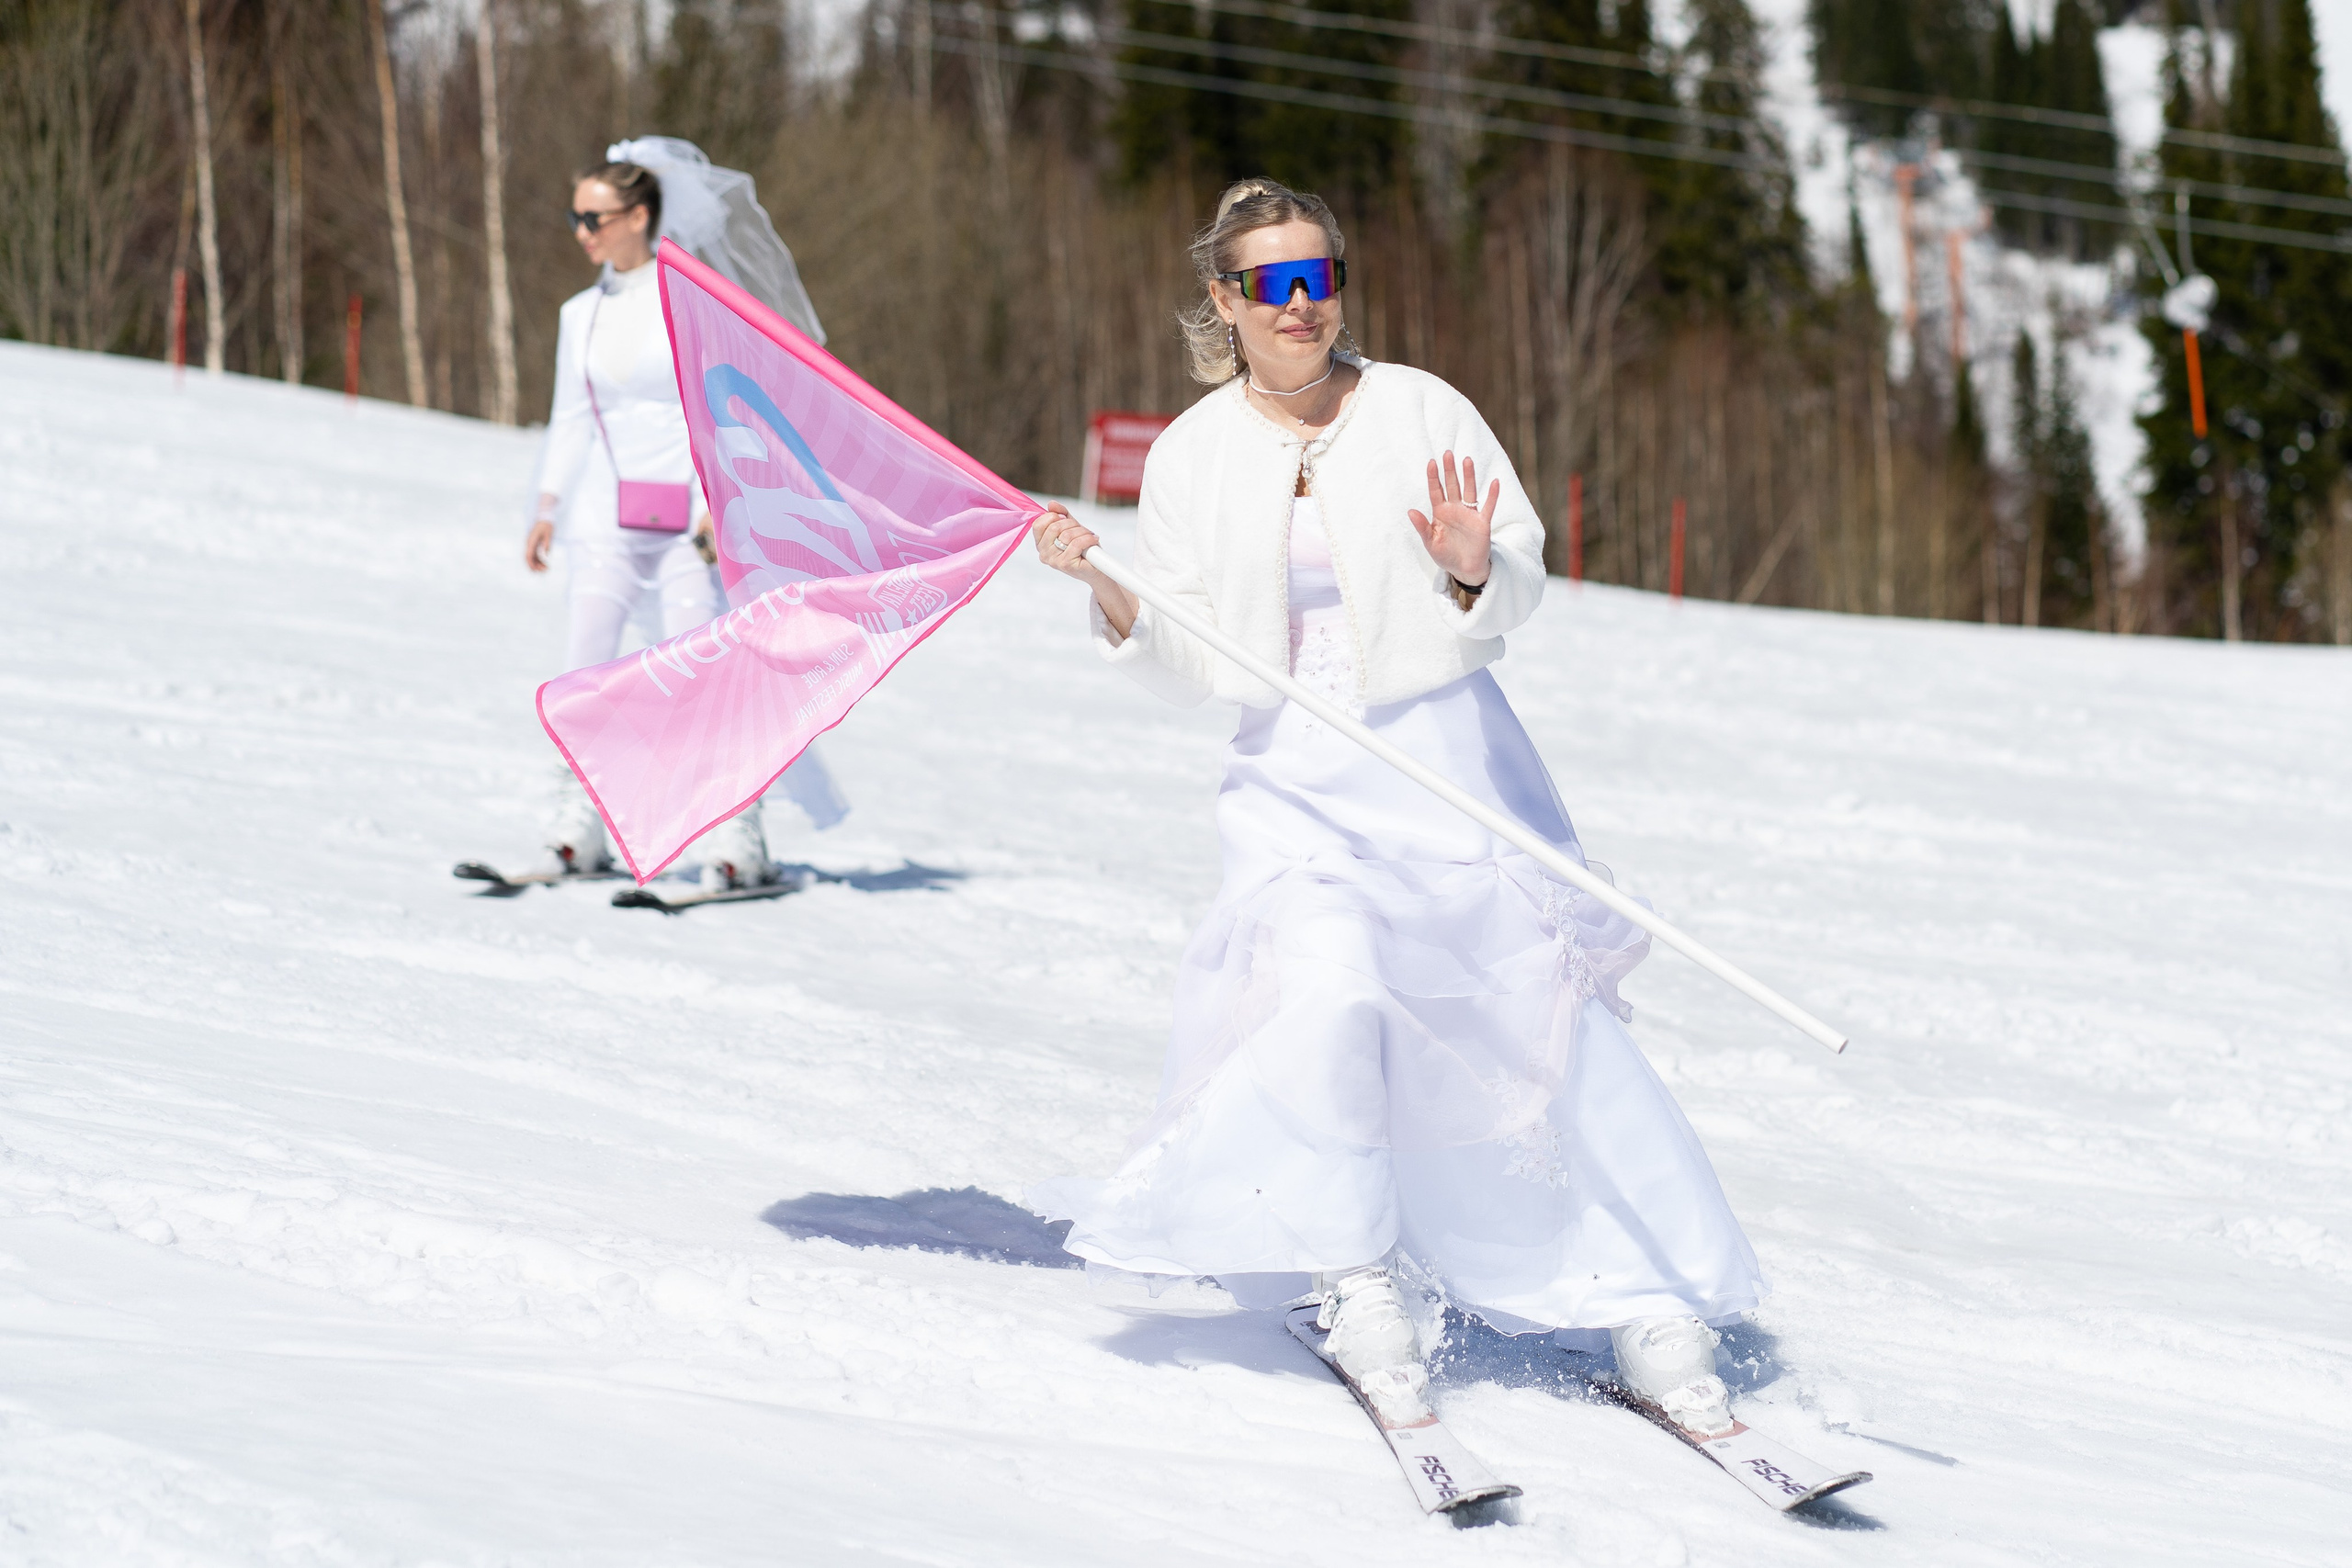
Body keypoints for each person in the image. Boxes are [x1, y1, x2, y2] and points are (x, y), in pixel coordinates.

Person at [1026, 180, 1765, 1433]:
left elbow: (1514, 574)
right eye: (1270, 283)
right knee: (1327, 998)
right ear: (1223, 300)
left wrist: (1477, 567)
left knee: (1527, 1018)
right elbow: (1192, 655)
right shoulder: (1194, 451)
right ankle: (1356, 1274)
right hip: (1295, 784)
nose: (1301, 305)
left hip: (1445, 762)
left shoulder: (1422, 406)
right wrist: (1108, 591)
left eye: (1320, 276)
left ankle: (1642, 1291)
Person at [525, 140, 843, 888]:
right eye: (574, 218)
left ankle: (736, 832)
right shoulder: (580, 314)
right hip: (606, 514)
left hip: (688, 520)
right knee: (586, 669)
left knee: (706, 672)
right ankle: (579, 824)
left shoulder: (689, 296)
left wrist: (712, 504)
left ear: (639, 216)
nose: (582, 232)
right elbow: (571, 415)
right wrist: (548, 506)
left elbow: (717, 406)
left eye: (595, 218)